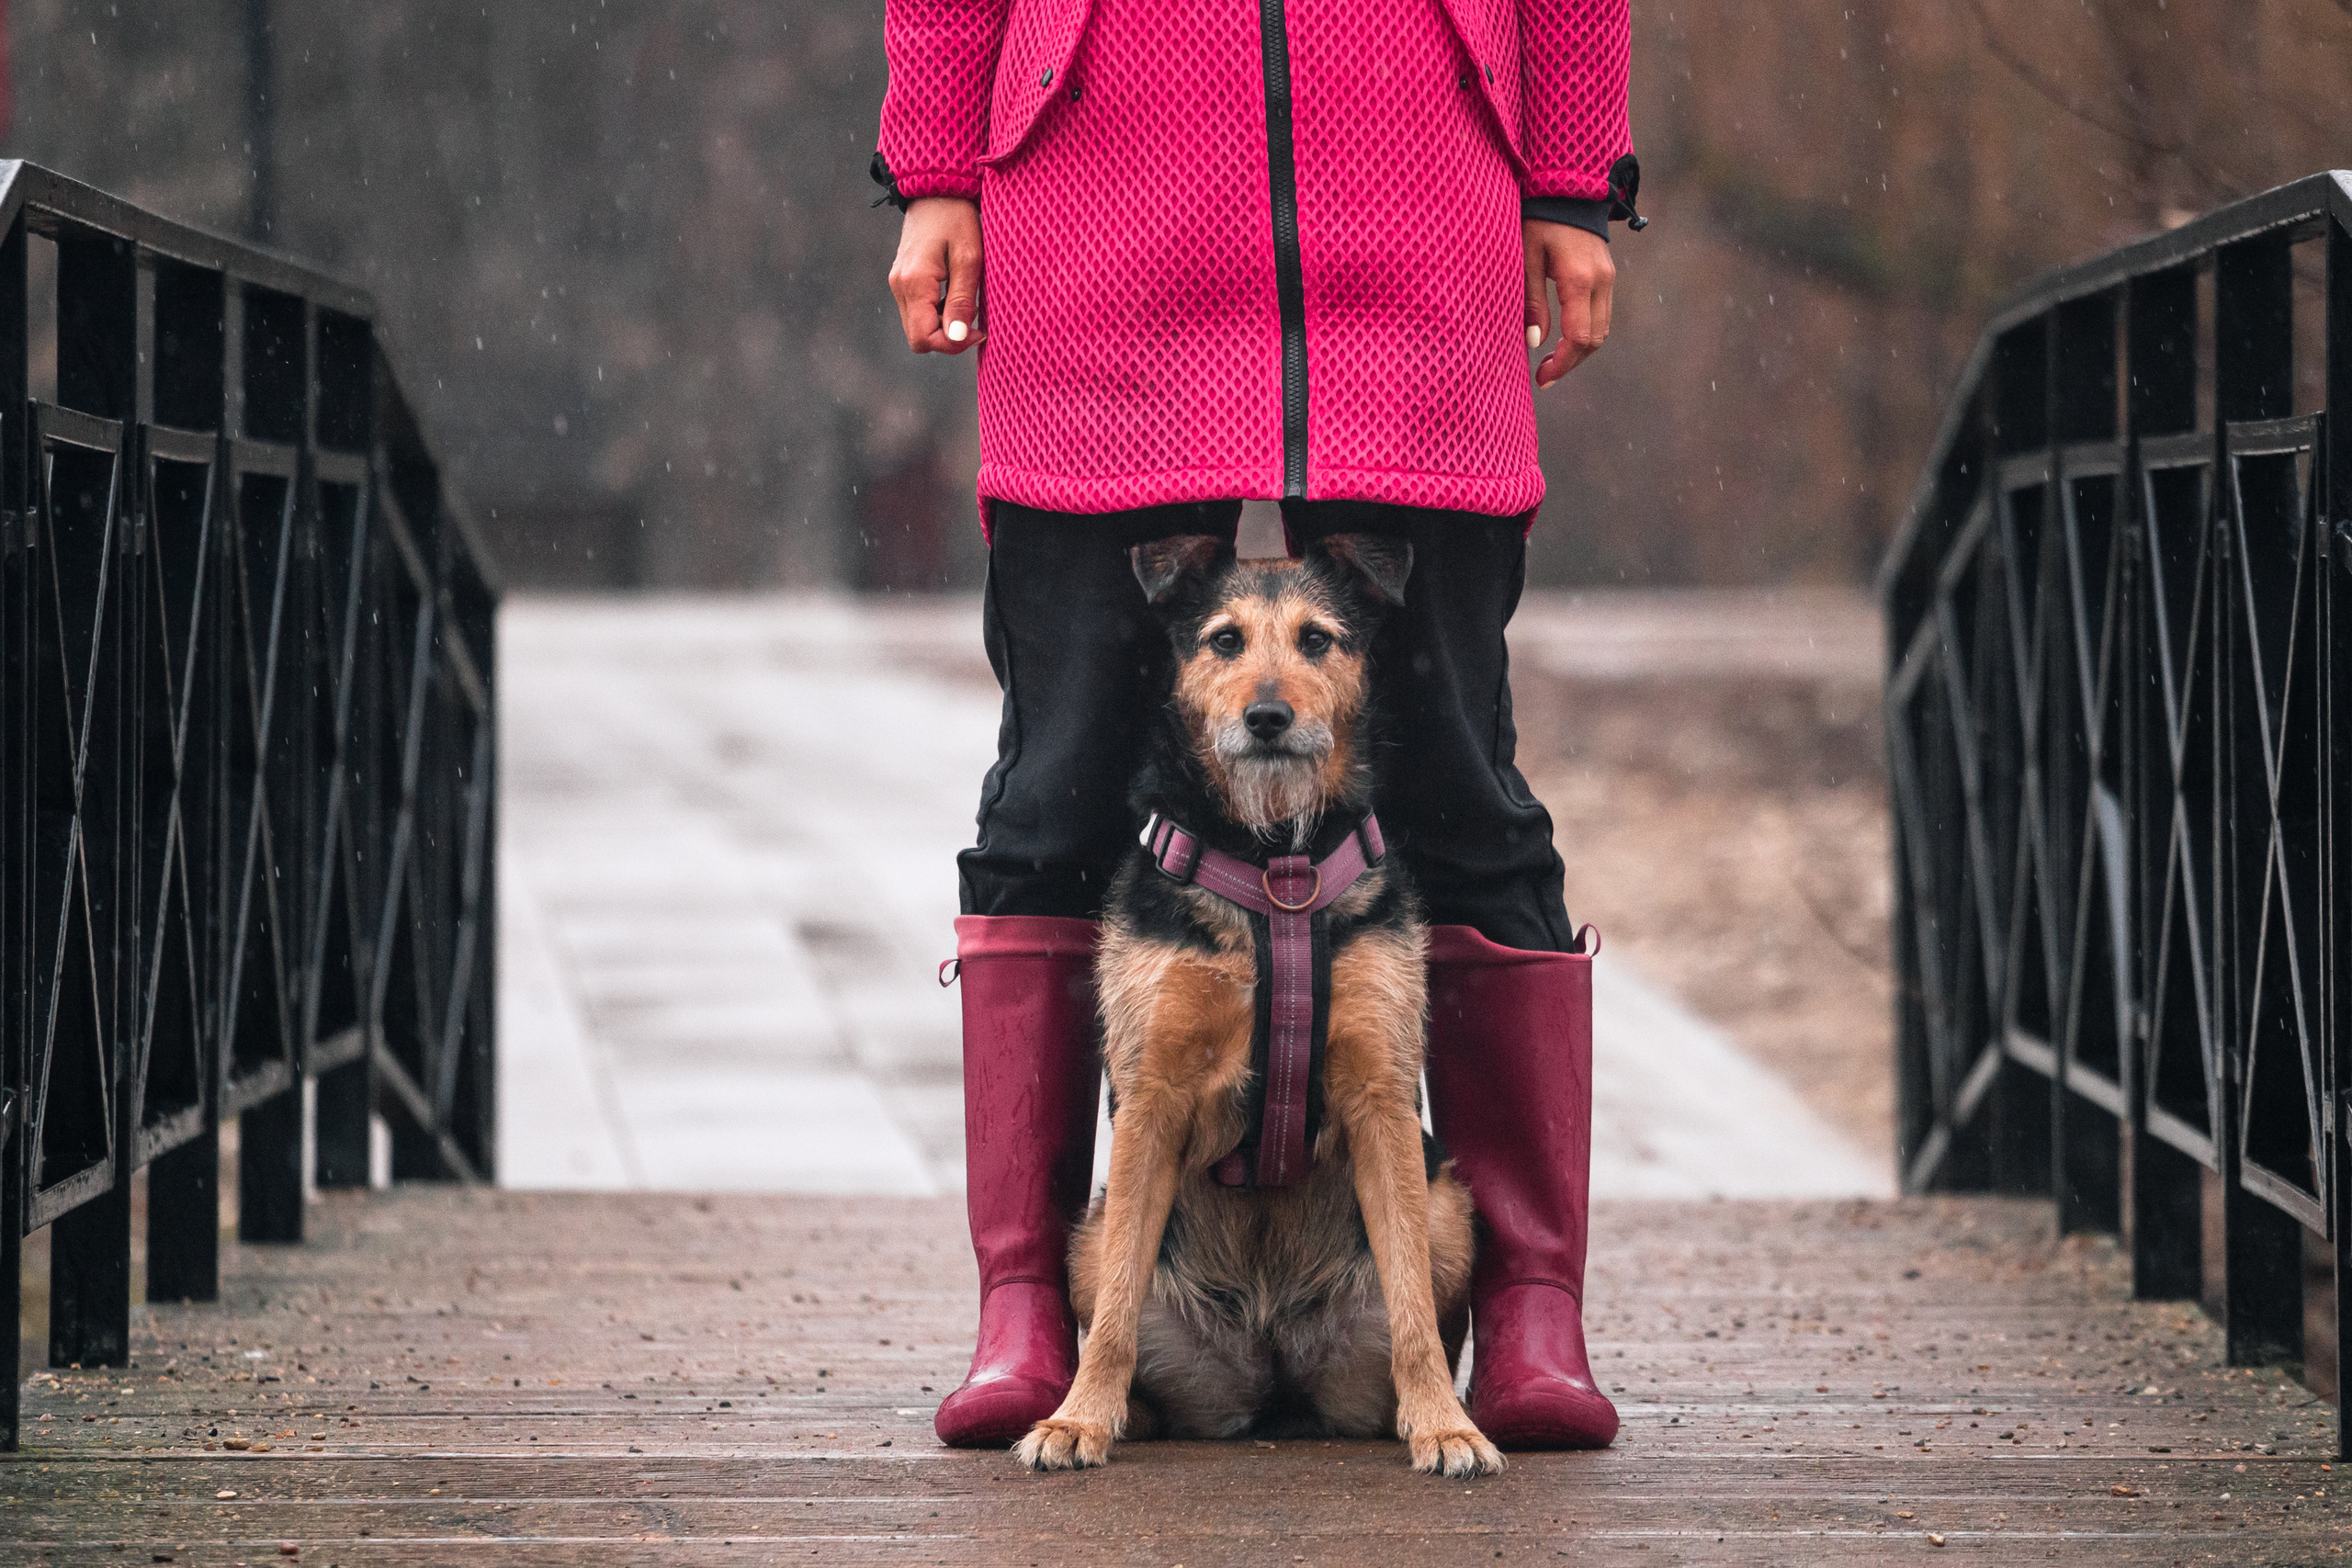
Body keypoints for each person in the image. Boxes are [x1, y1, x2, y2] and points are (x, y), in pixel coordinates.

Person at [874, 0, 1634, 1451]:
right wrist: (934, 169)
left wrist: (1571, 179)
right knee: (1056, 783)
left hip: (1416, 202)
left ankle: (1533, 1301)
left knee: (1464, 775)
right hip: (1104, 207)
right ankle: (1029, 1297)